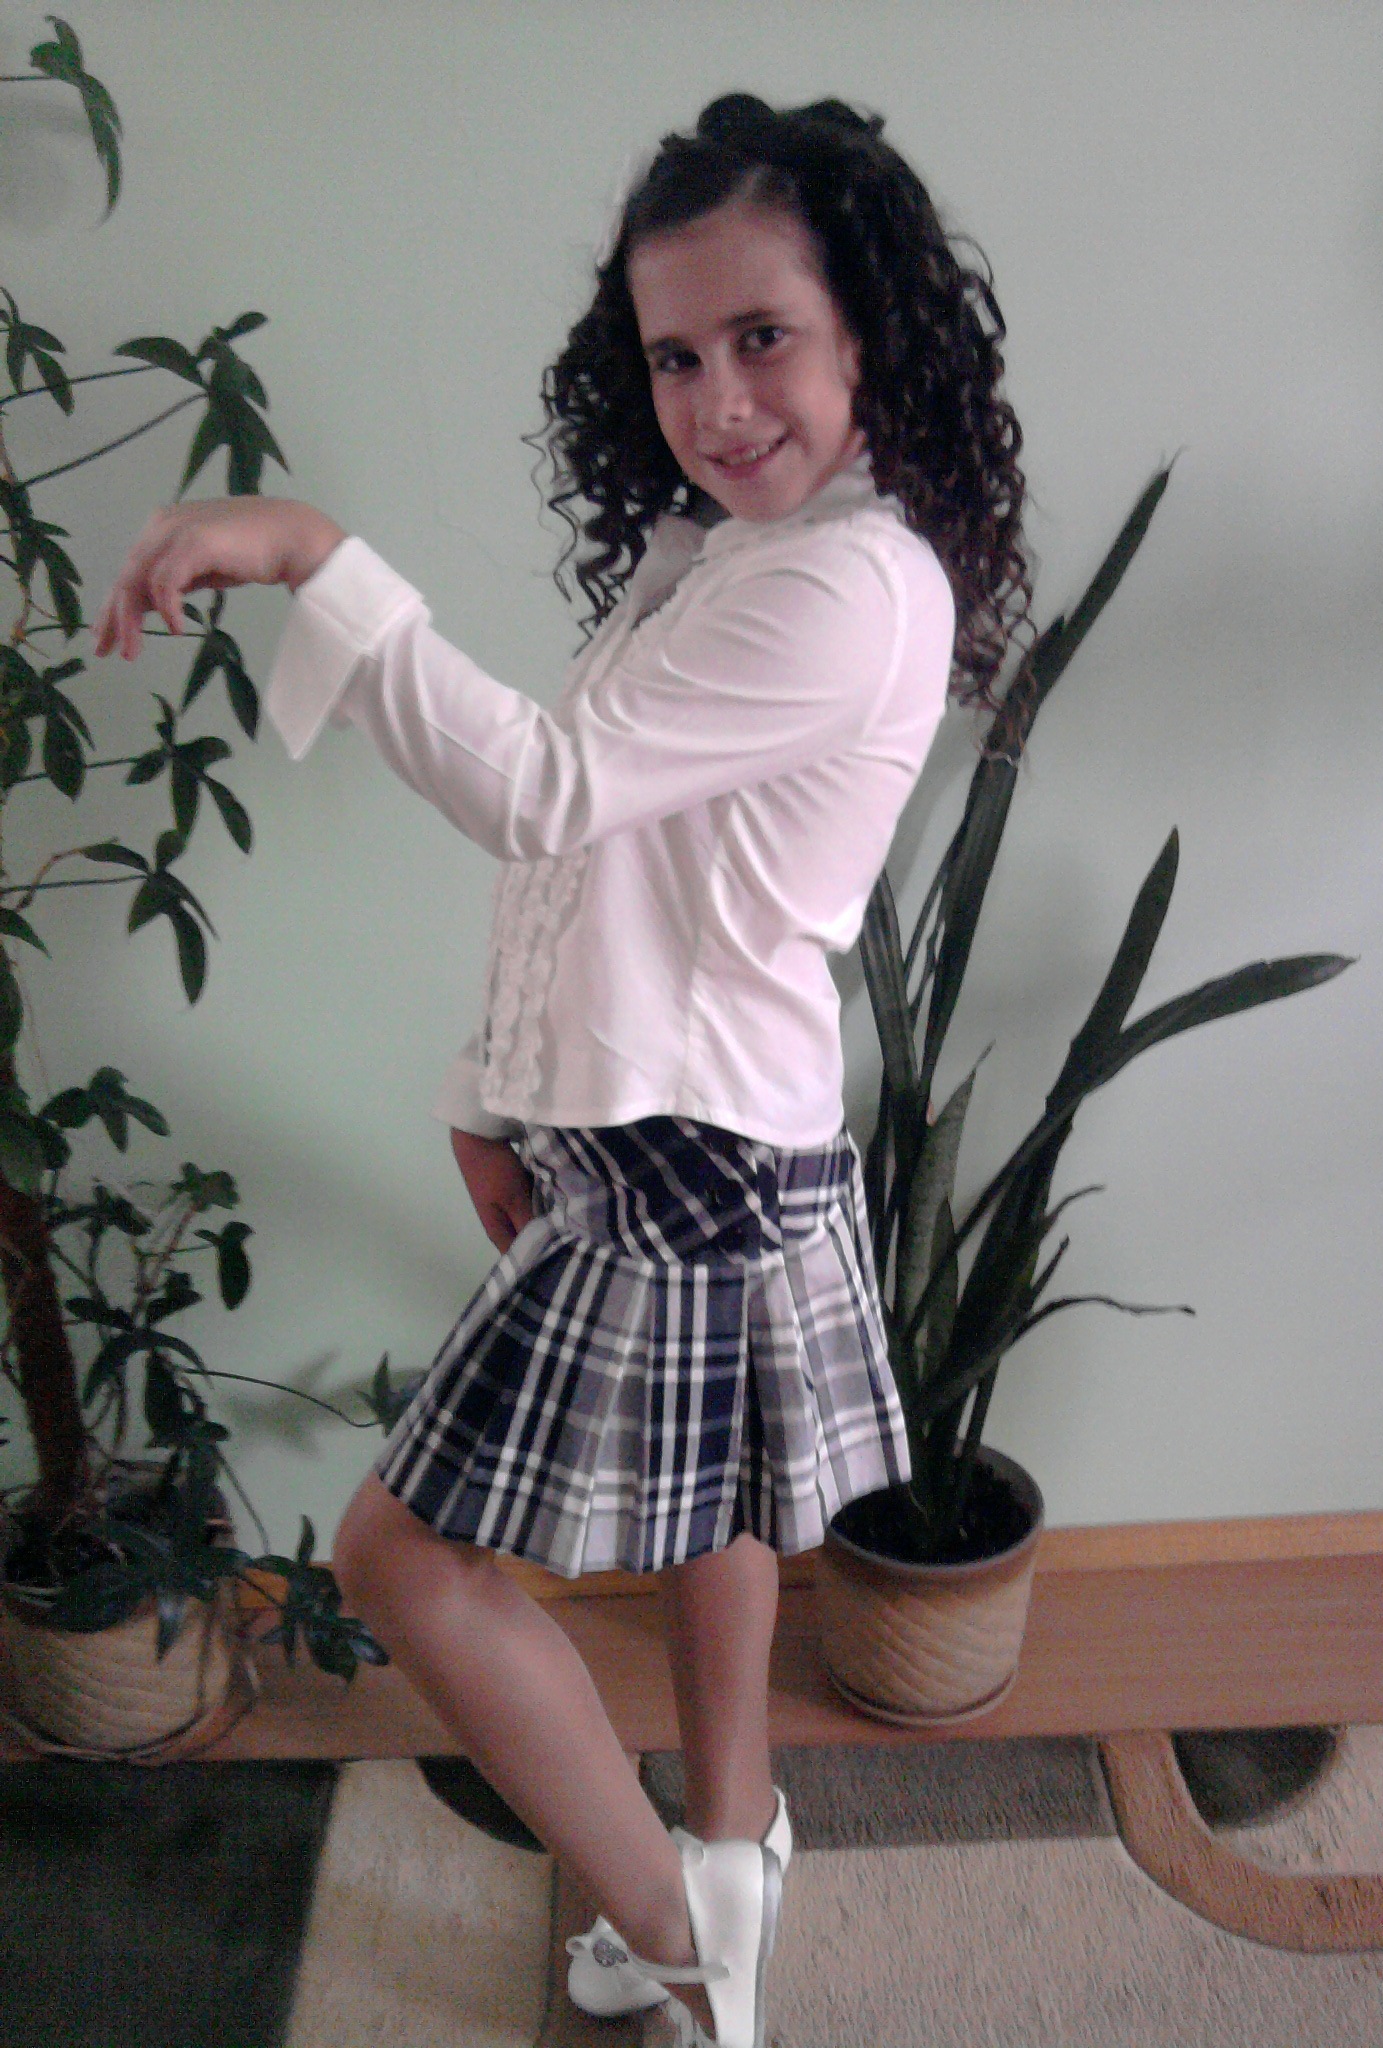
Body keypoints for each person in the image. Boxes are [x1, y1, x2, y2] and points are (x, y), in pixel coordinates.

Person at [96, 91, 1034, 2048]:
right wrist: (487, 1085)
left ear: (870, 331)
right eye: (675, 355)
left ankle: (682, 1948)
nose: (718, 400)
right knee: (715, 1509)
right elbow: (611, 867)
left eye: (763, 337)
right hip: (693, 1128)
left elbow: (544, 790)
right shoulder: (736, 555)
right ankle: (733, 1856)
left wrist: (314, 553)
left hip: (691, 1146)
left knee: (398, 1565)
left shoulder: (844, 583)